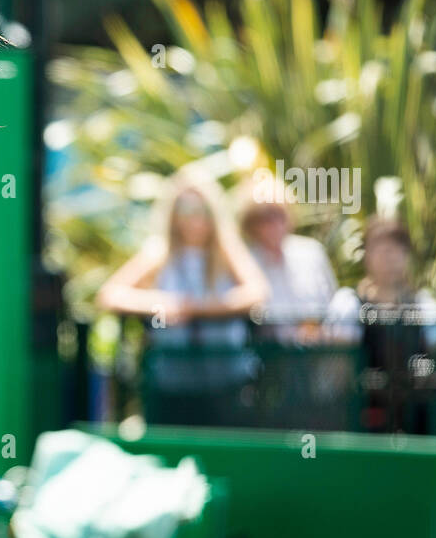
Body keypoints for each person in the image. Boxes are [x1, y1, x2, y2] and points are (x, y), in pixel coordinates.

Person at [97, 173, 268, 427]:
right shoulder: (159, 253)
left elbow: (257, 293)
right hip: (172, 382)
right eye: (185, 210)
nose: (194, 219)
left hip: (225, 380)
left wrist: (199, 308)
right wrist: (162, 303)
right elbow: (110, 294)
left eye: (201, 210)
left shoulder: (227, 252)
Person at [325, 217, 436, 433]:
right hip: (362, 426)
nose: (389, 257)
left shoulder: (425, 305)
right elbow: (339, 372)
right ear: (367, 255)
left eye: (396, 248)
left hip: (417, 428)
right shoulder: (348, 303)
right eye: (380, 248)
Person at [238, 186, 338, 344]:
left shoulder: (311, 252)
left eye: (280, 214)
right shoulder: (244, 260)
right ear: (251, 224)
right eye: (266, 218)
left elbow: (333, 305)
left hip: (317, 353)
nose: (275, 224)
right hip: (267, 356)